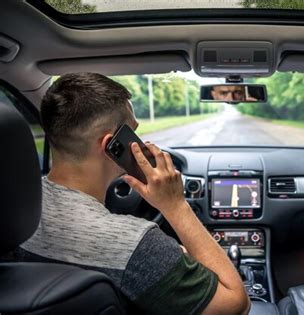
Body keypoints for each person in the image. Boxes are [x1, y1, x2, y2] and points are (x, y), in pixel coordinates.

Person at [10, 73, 250, 314]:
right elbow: (237, 305)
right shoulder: (135, 244)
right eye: (132, 132)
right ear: (110, 146)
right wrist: (176, 206)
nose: (140, 142)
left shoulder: (12, 213)